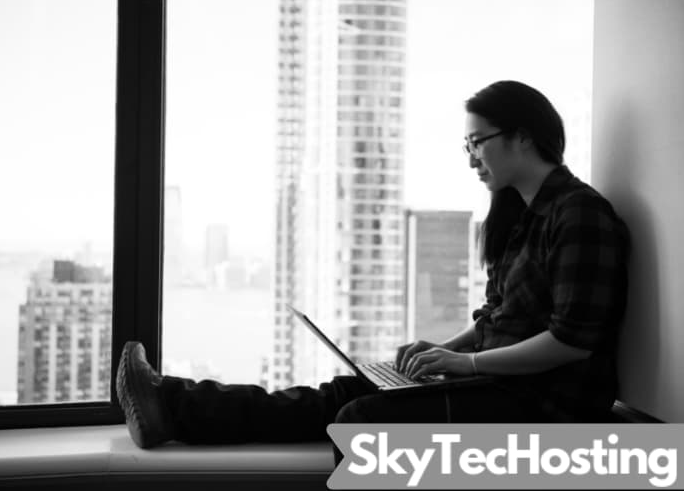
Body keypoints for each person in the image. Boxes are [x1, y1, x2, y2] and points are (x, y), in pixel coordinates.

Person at [116, 80, 629, 452]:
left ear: (522, 136)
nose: (471, 156)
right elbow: (496, 318)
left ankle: (173, 406)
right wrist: (442, 351)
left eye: (477, 142)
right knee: (345, 391)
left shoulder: (579, 214)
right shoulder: (518, 219)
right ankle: (170, 405)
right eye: (466, 145)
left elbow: (572, 342)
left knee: (360, 420)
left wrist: (466, 365)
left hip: (543, 404)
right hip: (496, 383)